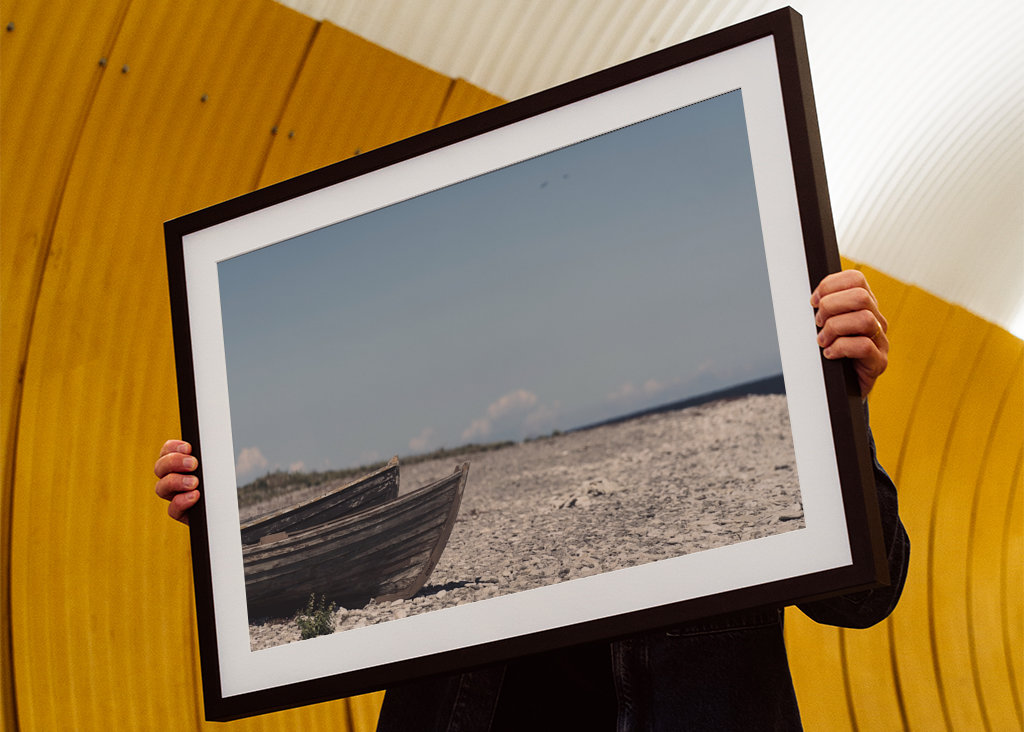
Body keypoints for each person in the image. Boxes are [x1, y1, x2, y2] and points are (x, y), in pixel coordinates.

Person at [154, 270, 908, 730]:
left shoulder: (778, 392)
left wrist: (841, 405)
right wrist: (218, 520)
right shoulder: (453, 403)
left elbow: (865, 597)